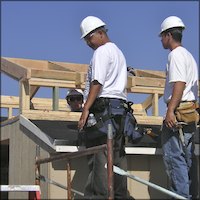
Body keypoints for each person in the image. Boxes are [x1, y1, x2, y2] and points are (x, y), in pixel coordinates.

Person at [78, 16, 133, 199]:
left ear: (100, 33)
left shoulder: (101, 52)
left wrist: (86, 108)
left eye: (89, 38)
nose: (88, 43)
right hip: (118, 111)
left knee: (99, 159)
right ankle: (119, 195)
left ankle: (98, 196)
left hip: (104, 109)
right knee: (116, 157)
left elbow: (97, 82)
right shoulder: (118, 52)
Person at [159, 16, 199, 199]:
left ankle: (181, 196)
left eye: (162, 36)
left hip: (178, 113)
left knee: (175, 160)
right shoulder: (189, 56)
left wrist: (169, 111)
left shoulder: (175, 55)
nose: (161, 40)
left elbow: (179, 84)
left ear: (169, 35)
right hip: (189, 113)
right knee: (188, 160)